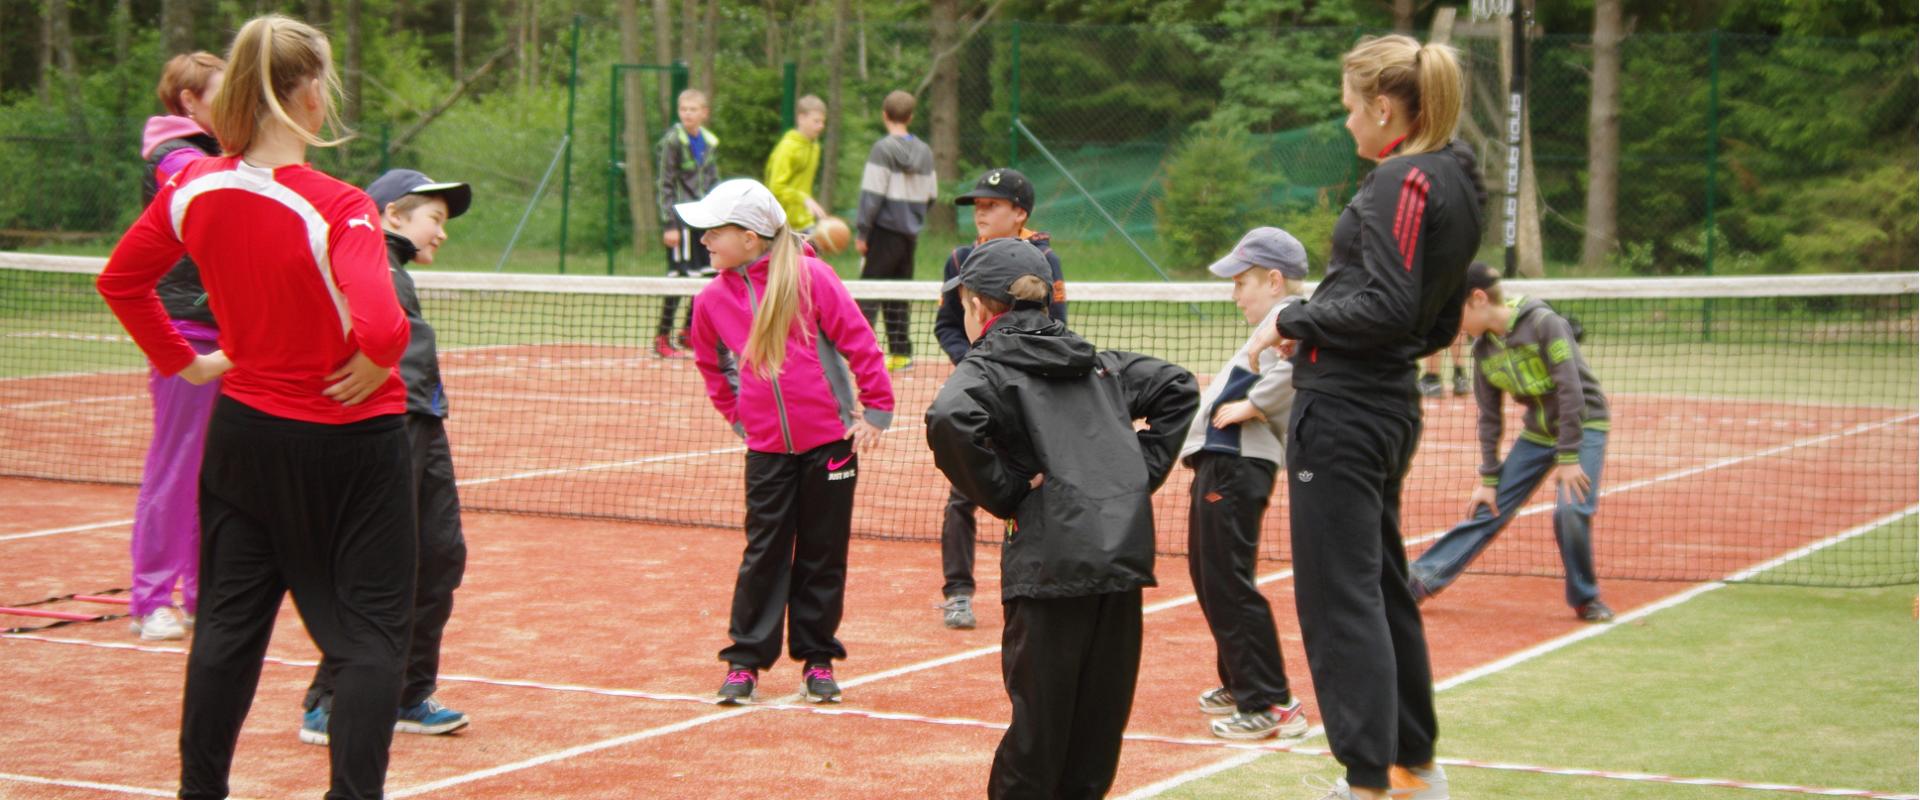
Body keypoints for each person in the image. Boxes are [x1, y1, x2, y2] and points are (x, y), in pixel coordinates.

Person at [95, 15, 416, 800]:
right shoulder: (338, 206)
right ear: (309, 94)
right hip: (352, 445)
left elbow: (120, 282)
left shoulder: (191, 187)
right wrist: (376, 362)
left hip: (243, 438)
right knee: (371, 638)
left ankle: (199, 790)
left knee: (229, 631)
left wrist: (188, 363)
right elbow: (384, 325)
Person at [1246, 33, 1486, 800]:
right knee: (1381, 587)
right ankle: (1413, 769)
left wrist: (1293, 316)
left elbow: (1385, 303)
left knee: (1341, 597)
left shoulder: (1401, 181)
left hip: (1347, 412)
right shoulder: (1456, 178)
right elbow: (1436, 316)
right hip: (1381, 405)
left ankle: (1367, 783)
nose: (1347, 123)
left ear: (1384, 106)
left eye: (1351, 107)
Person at [925, 238, 1198, 799]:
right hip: (1118, 559)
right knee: (1098, 725)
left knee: (1039, 730)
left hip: (1048, 566)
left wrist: (1007, 494)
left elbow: (950, 417)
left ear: (978, 306)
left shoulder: (989, 366)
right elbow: (1178, 385)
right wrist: (1132, 476)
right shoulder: (1096, 363)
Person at [679, 178, 895, 705]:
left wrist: (878, 409)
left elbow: (858, 339)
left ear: (750, 237)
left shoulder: (812, 277)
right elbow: (710, 364)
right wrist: (739, 416)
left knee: (823, 553)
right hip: (767, 451)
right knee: (764, 554)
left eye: (714, 232)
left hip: (830, 444)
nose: (703, 240)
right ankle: (745, 662)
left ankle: (817, 659)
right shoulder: (709, 300)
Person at [299, 169, 475, 746]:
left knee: (440, 556)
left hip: (424, 424)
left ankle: (408, 693)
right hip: (385, 430)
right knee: (374, 568)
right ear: (392, 215)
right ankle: (330, 699)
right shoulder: (364, 262)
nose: (441, 232)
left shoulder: (395, 269)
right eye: (435, 218)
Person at [1409, 262, 1614, 622]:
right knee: (1489, 507)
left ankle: (1586, 597)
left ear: (1477, 299)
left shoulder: (1543, 324)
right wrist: (1489, 479)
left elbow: (1572, 392)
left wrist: (1568, 456)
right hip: (1537, 433)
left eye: (1453, 311)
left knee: (1570, 510)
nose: (1451, 323)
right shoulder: (1482, 350)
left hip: (1583, 427)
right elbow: (1489, 417)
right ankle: (1421, 579)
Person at [1178, 227, 1311, 741]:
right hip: (1222, 462)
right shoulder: (1277, 322)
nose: (1235, 295)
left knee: (1226, 577)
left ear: (1274, 280)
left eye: (1242, 283)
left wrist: (1254, 405)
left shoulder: (1290, 318)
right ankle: (1241, 681)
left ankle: (1270, 701)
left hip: (1237, 461)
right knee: (1209, 572)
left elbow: (1301, 369)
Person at [929, 167, 1066, 630]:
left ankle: (1049, 580)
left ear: (1020, 213)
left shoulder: (1045, 260)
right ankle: (958, 592)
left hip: (1031, 396)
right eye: (977, 207)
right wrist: (974, 362)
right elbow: (948, 324)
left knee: (1044, 484)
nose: (981, 213)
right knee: (962, 489)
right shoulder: (959, 259)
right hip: (980, 389)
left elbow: (1054, 326)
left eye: (992, 205)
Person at [125, 50, 226, 642]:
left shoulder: (217, 154)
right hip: (186, 331)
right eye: (223, 92)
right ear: (190, 101)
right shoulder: (177, 157)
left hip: (231, 332)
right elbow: (205, 188)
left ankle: (200, 589)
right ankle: (153, 597)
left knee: (218, 470)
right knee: (178, 464)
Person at [853, 90, 938, 372]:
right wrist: (914, 219)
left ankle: (858, 353)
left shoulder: (882, 149)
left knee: (869, 292)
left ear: (884, 115)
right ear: (910, 117)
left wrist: (863, 232)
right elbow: (932, 194)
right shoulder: (925, 152)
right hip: (908, 234)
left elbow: (872, 194)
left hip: (883, 231)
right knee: (898, 292)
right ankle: (901, 355)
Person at [654, 88, 721, 359]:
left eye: (693, 110)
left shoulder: (709, 142)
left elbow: (714, 183)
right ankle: (662, 336)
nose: (688, 114)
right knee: (679, 277)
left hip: (703, 221)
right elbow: (665, 184)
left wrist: (718, 218)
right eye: (683, 110)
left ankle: (688, 332)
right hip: (680, 221)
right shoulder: (672, 142)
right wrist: (669, 223)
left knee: (706, 277)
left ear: (704, 113)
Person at [764, 94, 828, 233]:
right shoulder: (787, 148)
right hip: (783, 224)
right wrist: (804, 199)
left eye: (823, 122)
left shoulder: (815, 147)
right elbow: (776, 187)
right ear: (801, 118)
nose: (821, 126)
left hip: (805, 221)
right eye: (816, 121)